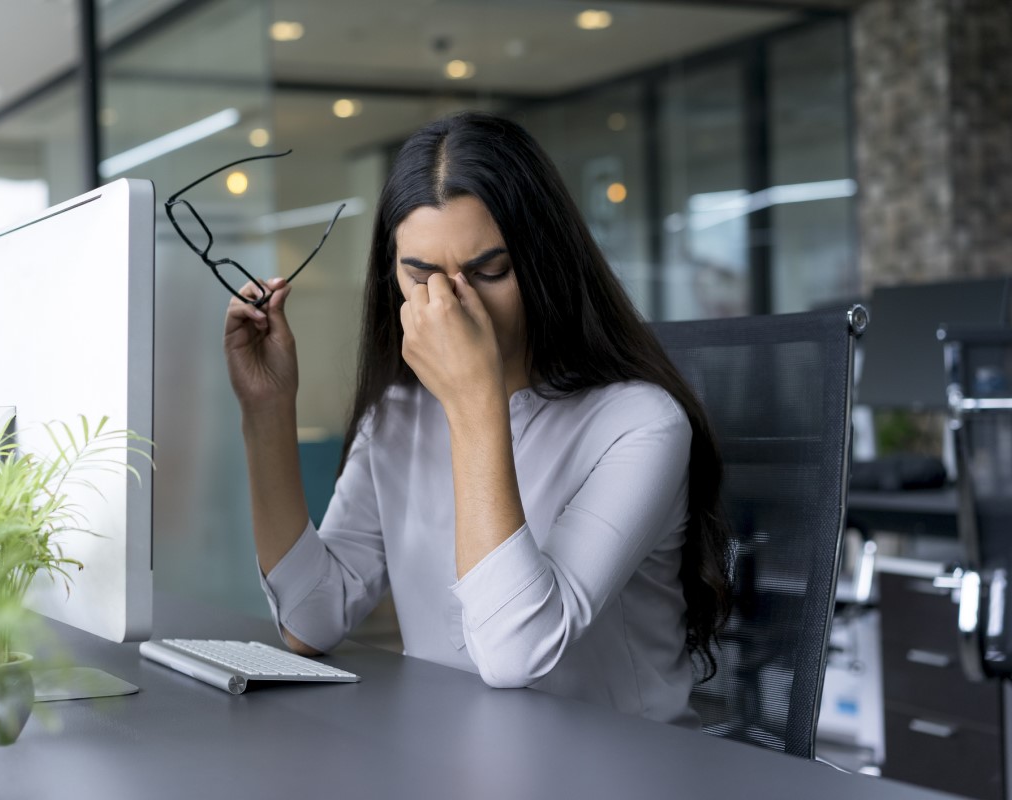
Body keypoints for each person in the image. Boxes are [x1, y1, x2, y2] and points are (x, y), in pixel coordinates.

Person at [223, 111, 731, 727]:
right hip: (459, 755)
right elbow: (310, 621)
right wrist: (268, 410)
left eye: (489, 272)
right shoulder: (398, 414)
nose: (451, 303)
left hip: (620, 768)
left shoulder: (641, 424)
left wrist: (472, 401)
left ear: (544, 265)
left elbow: (517, 654)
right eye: (421, 276)